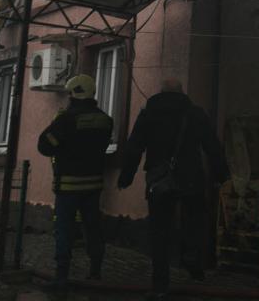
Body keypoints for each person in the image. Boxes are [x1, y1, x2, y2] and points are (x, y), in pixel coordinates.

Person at [118, 78, 229, 298]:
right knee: (195, 222)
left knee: (159, 231)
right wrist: (221, 174)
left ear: (161, 92)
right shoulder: (195, 113)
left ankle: (160, 284)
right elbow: (212, 146)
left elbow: (134, 146)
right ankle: (194, 265)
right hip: (191, 178)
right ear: (181, 92)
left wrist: (126, 178)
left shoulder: (149, 113)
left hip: (160, 180)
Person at [37, 74, 113, 291]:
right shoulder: (105, 120)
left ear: (74, 94)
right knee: (93, 228)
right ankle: (96, 272)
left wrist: (59, 131)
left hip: (68, 186)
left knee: (64, 230)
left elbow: (44, 146)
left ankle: (61, 278)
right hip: (93, 185)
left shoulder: (66, 120)